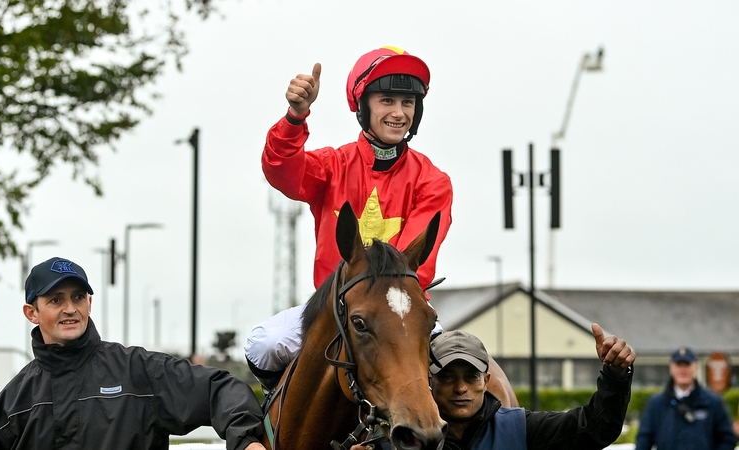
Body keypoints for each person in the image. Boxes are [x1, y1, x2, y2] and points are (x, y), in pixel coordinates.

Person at [246, 46, 453, 389]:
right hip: (333, 310)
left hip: (403, 314)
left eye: (408, 103)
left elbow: (415, 263)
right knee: (264, 344)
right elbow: (280, 170)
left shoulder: (433, 182)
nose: (399, 113)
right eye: (387, 100)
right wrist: (295, 117)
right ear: (363, 106)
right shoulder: (331, 166)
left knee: (453, 374)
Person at [0, 257, 265, 450]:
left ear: (89, 303)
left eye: (78, 297)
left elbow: (219, 388)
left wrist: (247, 441)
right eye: (56, 300)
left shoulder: (140, 371)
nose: (70, 308)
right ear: (31, 312)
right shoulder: (14, 402)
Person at [354, 325, 633, 450]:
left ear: (485, 381)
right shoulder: (399, 440)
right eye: (448, 377)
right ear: (431, 381)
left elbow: (596, 429)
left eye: (471, 376)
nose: (461, 387)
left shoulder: (521, 429)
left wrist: (615, 375)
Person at [635, 346, 737, 450]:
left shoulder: (713, 402)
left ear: (695, 367)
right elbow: (644, 440)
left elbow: (728, 439)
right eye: (679, 365)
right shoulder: (656, 404)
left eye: (687, 365)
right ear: (671, 368)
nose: (683, 370)